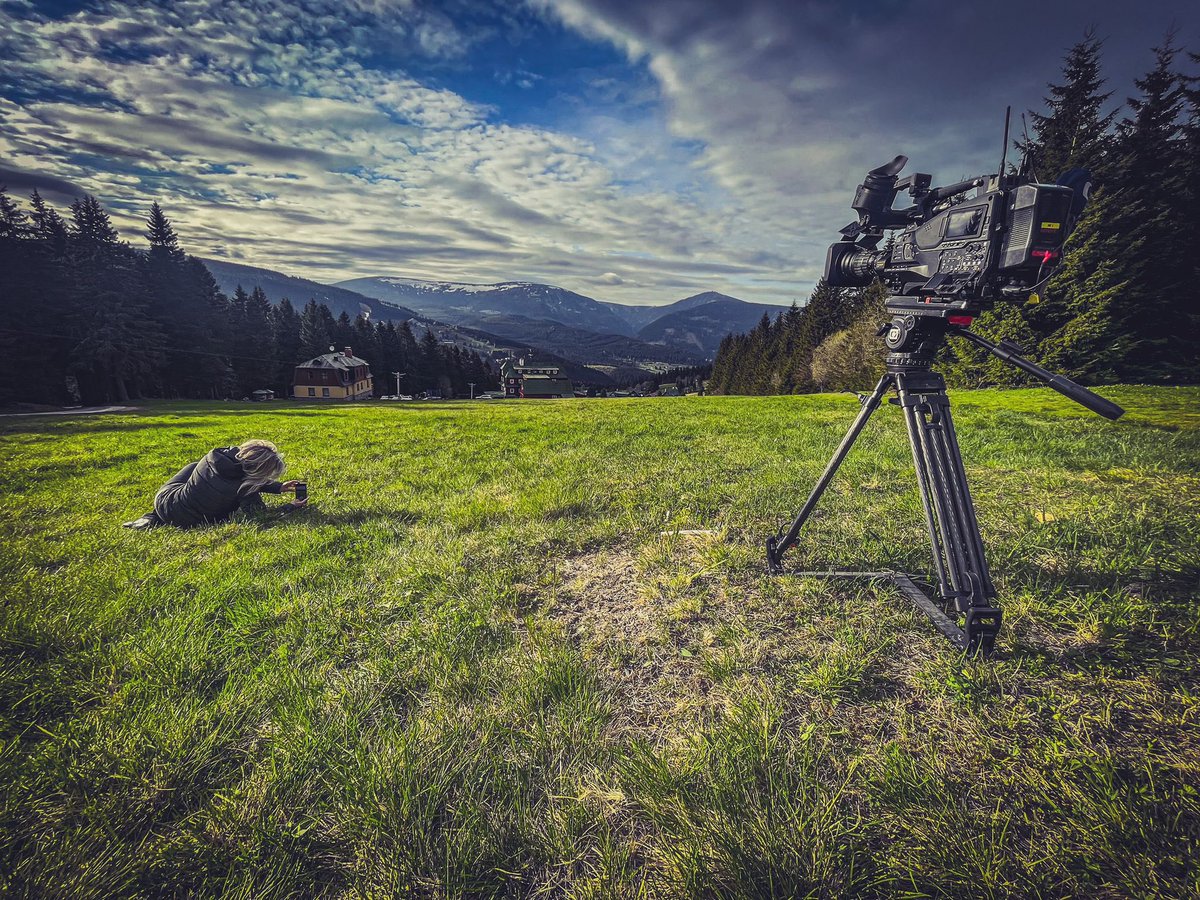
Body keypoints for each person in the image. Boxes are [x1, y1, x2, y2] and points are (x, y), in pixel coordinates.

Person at [123, 439, 306, 529]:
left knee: (193, 466)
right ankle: (154, 519)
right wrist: (290, 507)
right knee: (234, 493)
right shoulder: (246, 489)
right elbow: (261, 517)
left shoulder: (213, 457)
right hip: (191, 522)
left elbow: (241, 476)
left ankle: (152, 518)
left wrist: (278, 487)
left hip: (165, 502)